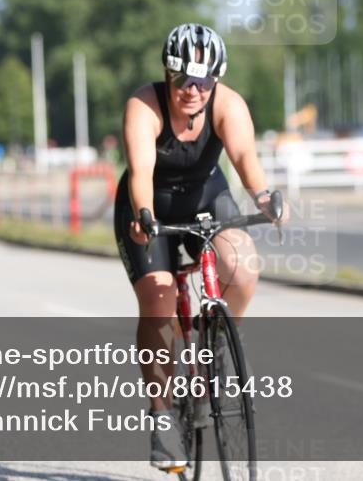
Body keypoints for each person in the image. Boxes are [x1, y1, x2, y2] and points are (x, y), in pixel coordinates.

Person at [114, 23, 285, 470]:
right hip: (150, 205)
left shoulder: (227, 104)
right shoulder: (144, 105)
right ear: (167, 75)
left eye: (203, 81)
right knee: (158, 296)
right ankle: (163, 414)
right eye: (182, 79)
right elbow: (141, 169)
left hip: (206, 196)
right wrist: (144, 215)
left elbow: (246, 158)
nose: (192, 90)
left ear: (216, 79)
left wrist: (265, 196)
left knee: (242, 263)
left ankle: (220, 346)